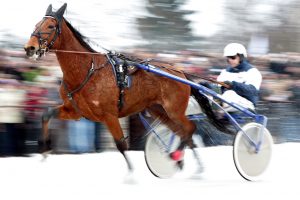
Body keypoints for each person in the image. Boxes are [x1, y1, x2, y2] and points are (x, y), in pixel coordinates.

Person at [216, 43, 262, 112]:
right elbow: (218, 89)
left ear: (241, 57)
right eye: (228, 58)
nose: (230, 60)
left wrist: (233, 85)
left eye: (232, 57)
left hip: (247, 104)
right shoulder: (225, 72)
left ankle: (219, 111)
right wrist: (207, 86)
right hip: (226, 102)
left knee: (229, 94)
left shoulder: (252, 72)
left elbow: (252, 91)